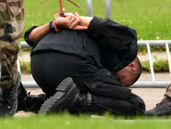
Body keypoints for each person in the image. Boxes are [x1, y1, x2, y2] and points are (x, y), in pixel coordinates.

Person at [17, 12, 145, 116]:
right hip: (72, 62)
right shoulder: (127, 50)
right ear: (132, 66)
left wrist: (54, 24)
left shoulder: (65, 29)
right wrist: (75, 20)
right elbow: (102, 25)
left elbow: (30, 36)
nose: (115, 81)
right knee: (136, 105)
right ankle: (77, 100)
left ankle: (27, 102)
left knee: (71, 108)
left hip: (38, 66)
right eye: (119, 79)